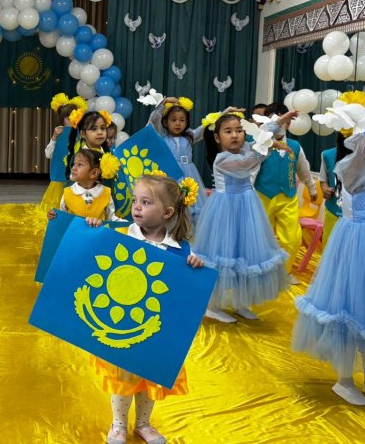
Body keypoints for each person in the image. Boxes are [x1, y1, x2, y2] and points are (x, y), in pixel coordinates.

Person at [293, 92, 365, 406]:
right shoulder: (352, 171)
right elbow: (361, 152)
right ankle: (344, 381)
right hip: (359, 251)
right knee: (352, 314)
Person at [88, 173, 203, 444]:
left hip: (155, 329)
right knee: (125, 374)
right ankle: (118, 424)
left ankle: (143, 423)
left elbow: (185, 289)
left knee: (150, 374)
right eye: (135, 201)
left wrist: (195, 265)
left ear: (167, 212)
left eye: (146, 202)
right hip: (124, 323)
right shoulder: (121, 233)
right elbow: (95, 243)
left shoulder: (179, 249)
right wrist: (94, 225)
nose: (137, 207)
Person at [193, 110, 296, 323]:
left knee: (245, 255)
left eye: (239, 130)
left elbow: (262, 135)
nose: (235, 135)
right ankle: (212, 305)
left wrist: (281, 121)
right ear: (217, 137)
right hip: (226, 210)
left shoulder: (247, 148)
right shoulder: (222, 159)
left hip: (247, 206)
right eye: (228, 131)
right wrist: (270, 144)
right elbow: (247, 163)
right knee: (223, 256)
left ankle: (240, 301)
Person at [254, 103, 317, 285]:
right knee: (260, 237)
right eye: (276, 121)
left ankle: (285, 271)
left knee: (292, 237)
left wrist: (312, 188)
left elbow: (303, 169)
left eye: (284, 121)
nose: (280, 124)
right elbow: (251, 169)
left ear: (289, 123)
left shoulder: (295, 146)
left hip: (287, 198)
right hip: (263, 196)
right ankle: (260, 271)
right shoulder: (260, 144)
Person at [147, 97, 207, 223]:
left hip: (189, 175)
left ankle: (188, 228)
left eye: (182, 120)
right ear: (165, 122)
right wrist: (163, 103)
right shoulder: (162, 136)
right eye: (173, 120)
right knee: (170, 201)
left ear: (186, 122)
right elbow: (154, 120)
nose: (178, 123)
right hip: (170, 174)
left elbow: (205, 127)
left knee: (190, 203)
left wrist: (222, 114)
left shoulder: (190, 136)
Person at [47, 148, 120, 222]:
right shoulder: (68, 193)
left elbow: (111, 219)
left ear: (94, 173)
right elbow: (62, 218)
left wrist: (125, 224)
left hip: (97, 229)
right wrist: (54, 216)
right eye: (74, 164)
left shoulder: (105, 193)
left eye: (80, 165)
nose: (73, 168)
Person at [41, 93, 87, 210]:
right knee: (57, 207)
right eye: (68, 118)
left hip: (77, 177)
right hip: (60, 176)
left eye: (74, 117)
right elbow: (48, 154)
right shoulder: (59, 133)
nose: (71, 120)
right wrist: (54, 137)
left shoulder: (82, 134)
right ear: (62, 120)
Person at [318, 143, 343, 245]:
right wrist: (325, 189)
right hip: (332, 212)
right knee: (329, 246)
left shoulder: (364, 155)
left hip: (355, 217)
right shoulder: (327, 155)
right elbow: (323, 179)